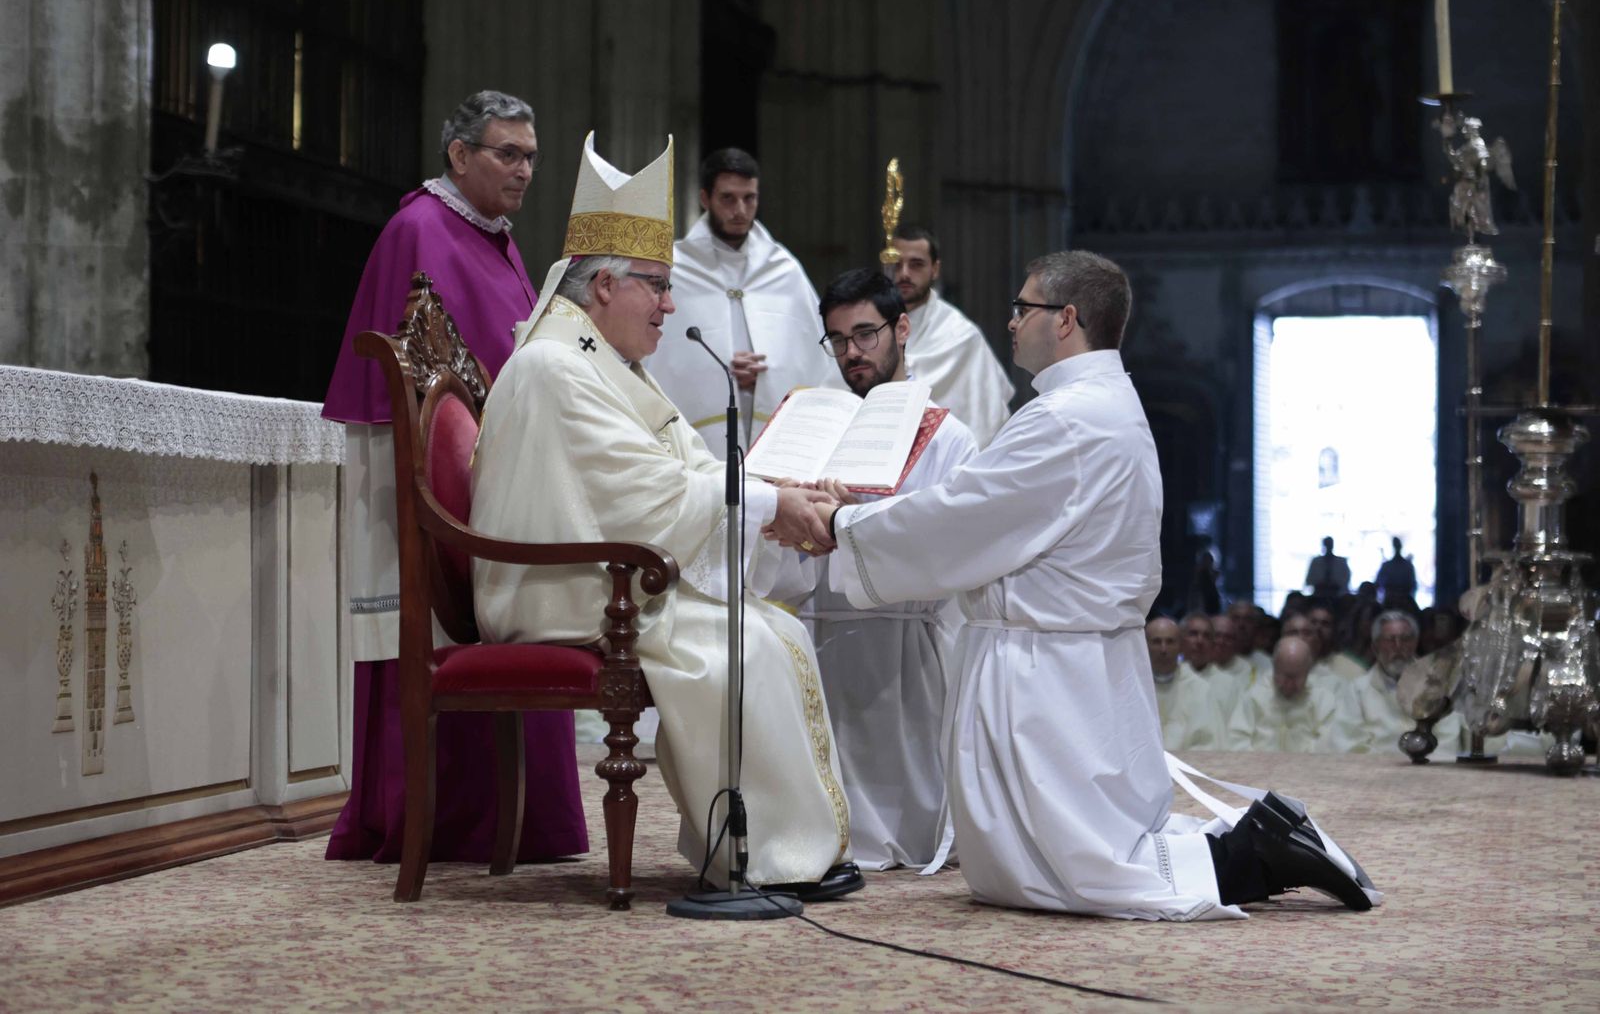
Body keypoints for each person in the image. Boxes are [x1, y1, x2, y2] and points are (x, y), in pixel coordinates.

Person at [791, 250, 1376, 919]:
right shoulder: (1104, 402)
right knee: (1064, 850)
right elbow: (977, 508)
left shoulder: (1065, 418)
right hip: (1077, 657)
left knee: (1067, 870)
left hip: (1044, 669)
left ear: (1065, 319)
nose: (1010, 322)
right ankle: (1260, 846)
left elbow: (964, 516)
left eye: (1023, 308)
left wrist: (841, 523)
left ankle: (1261, 851)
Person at [469, 133, 860, 900]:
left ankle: (759, 848)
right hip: (558, 589)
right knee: (740, 645)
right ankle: (756, 855)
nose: (671, 304)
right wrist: (776, 507)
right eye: (657, 285)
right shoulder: (556, 366)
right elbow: (642, 496)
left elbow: (685, 469)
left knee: (768, 629)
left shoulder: (604, 362)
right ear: (606, 284)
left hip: (605, 574)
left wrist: (781, 494)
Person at [320, 90, 586, 866]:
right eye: (507, 153)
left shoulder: (494, 239)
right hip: (445, 495)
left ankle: (525, 820)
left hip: (504, 477)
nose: (524, 169)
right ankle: (448, 821)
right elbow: (417, 396)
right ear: (460, 155)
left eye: (532, 155)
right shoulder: (419, 231)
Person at [772, 268, 978, 871]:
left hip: (904, 640)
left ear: (903, 328)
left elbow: (951, 546)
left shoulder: (948, 437)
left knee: (900, 802)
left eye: (865, 335)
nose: (852, 353)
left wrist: (855, 521)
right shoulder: (811, 431)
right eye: (837, 340)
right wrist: (785, 512)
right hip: (819, 629)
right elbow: (776, 551)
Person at [646, 147, 839, 455]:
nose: (740, 210)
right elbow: (661, 357)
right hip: (699, 441)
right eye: (728, 198)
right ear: (705, 199)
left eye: (749, 198)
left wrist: (768, 375)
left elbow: (814, 358)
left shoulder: (783, 268)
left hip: (774, 437)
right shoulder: (674, 267)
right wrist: (721, 373)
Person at [888, 226, 1014, 446]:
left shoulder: (962, 337)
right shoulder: (869, 327)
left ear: (935, 269)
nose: (904, 273)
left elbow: (985, 423)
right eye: (896, 265)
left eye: (916, 264)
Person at [1322, 611, 1461, 756]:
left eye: (1405, 639)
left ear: (1415, 643)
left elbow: (1447, 741)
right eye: (1390, 640)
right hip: (1373, 773)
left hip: (1429, 771)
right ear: (1375, 647)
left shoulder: (1436, 687)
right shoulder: (1358, 690)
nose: (1398, 646)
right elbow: (1349, 744)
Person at [1225, 637, 1340, 753]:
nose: (1289, 684)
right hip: (1259, 767)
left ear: (1308, 671)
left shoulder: (1323, 700)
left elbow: (1328, 744)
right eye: (1284, 676)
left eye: (1295, 677)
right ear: (1274, 667)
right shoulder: (1254, 696)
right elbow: (1237, 740)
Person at [1147, 617, 1227, 751]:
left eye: (1170, 642)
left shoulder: (1200, 689)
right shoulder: (1131, 687)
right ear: (1145, 646)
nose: (1163, 649)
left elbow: (1210, 744)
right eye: (1156, 642)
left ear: (1181, 646)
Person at [1200, 614, 1255, 721]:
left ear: (1236, 642)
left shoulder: (1249, 672)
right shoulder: (1193, 667)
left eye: (1228, 637)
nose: (1221, 642)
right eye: (1217, 635)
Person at [1375, 537, 1418, 609]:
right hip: (1390, 602)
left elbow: (1412, 586)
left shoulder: (1407, 566)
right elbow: (1377, 584)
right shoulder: (1387, 566)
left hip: (1404, 603)